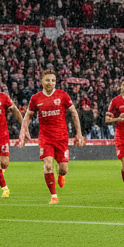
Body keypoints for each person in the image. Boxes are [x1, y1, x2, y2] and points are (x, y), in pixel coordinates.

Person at [19, 69, 85, 204]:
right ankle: (54, 196)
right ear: (42, 81)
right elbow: (28, 116)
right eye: (48, 80)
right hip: (45, 138)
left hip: (61, 137)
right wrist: (23, 130)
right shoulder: (36, 98)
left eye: (53, 80)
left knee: (63, 169)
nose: (50, 83)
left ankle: (61, 175)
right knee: (48, 165)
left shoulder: (63, 96)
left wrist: (79, 133)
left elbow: (73, 113)